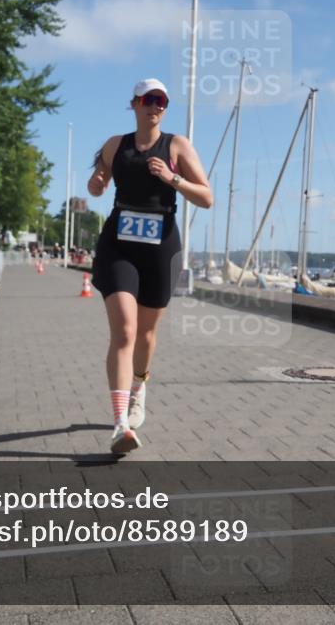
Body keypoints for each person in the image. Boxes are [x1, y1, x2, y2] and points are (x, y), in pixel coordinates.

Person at [88, 78, 212, 454]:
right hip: (119, 245)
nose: (155, 107)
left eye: (161, 101)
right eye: (149, 100)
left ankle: (139, 389)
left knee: (145, 334)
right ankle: (119, 423)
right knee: (124, 331)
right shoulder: (116, 145)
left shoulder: (177, 145)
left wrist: (172, 178)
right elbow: (96, 186)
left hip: (160, 247)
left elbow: (206, 197)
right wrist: (96, 183)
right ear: (135, 104)